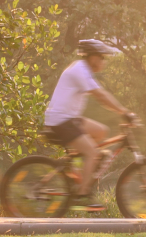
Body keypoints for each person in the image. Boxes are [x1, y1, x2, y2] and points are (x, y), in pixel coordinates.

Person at [44, 39, 136, 203]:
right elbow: (100, 95)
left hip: (69, 119)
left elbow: (100, 95)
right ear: (92, 57)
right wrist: (123, 112)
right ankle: (83, 194)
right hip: (61, 121)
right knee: (93, 152)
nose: (103, 61)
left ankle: (74, 167)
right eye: (101, 57)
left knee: (101, 132)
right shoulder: (80, 69)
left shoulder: (82, 69)